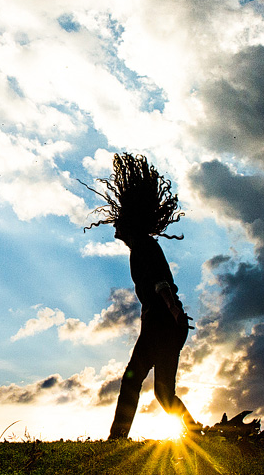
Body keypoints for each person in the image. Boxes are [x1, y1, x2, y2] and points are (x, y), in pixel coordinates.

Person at [81, 152, 201, 439]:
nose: (114, 227)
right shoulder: (145, 247)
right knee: (163, 392)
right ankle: (194, 432)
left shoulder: (143, 248)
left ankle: (118, 437)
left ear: (130, 224)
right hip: (169, 324)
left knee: (132, 379)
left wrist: (172, 311)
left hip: (162, 322)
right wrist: (176, 317)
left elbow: (161, 283)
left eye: (118, 222)